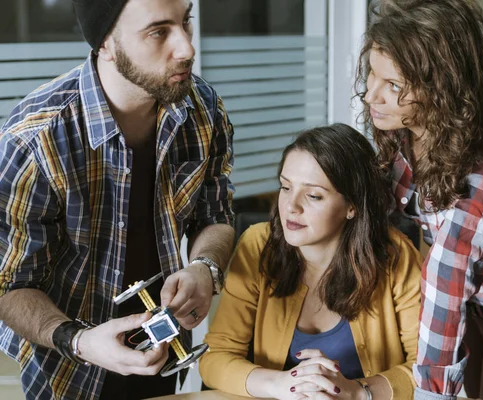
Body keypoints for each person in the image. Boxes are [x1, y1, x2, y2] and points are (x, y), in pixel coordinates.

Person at [0, 0, 235, 399]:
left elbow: (216, 215)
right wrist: (82, 342)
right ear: (105, 42)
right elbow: (9, 286)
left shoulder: (202, 109)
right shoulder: (35, 140)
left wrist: (204, 266)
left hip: (165, 355)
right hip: (67, 366)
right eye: (159, 31)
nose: (186, 48)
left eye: (186, 22)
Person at [356, 1, 483, 399]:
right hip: (459, 306)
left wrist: (430, 392)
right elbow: (368, 206)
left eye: (393, 85)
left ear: (442, 87)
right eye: (371, 76)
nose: (370, 95)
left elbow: (449, 271)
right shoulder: (401, 130)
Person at [199, 123, 422, 399]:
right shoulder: (258, 246)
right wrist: (284, 384)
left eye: (313, 195)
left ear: (352, 206)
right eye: (285, 187)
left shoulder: (395, 256)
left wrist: (357, 392)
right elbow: (215, 358)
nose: (291, 206)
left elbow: (428, 367)